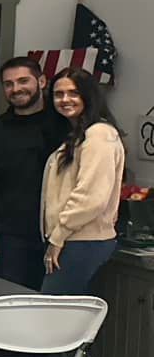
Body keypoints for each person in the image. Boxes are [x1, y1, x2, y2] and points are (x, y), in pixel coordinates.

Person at [0, 57, 68, 288]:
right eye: (8, 84)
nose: (16, 89)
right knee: (10, 302)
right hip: (9, 235)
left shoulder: (64, 125)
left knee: (53, 306)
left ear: (42, 81)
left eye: (23, 81)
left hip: (59, 233)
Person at [40, 68, 125, 294]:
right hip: (74, 239)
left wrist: (58, 238)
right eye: (58, 94)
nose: (65, 99)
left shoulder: (99, 134)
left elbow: (90, 197)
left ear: (88, 96)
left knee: (52, 311)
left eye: (73, 93)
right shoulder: (78, 134)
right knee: (66, 313)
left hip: (82, 240)